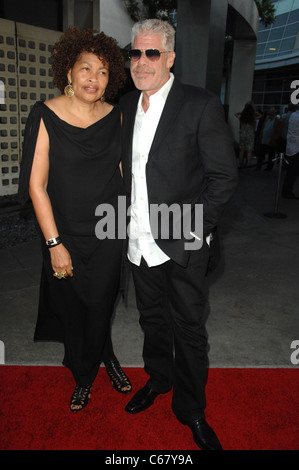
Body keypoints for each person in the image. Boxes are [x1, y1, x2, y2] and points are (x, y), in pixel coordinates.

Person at [120, 19, 238, 450]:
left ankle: (190, 410)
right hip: (136, 239)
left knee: (189, 329)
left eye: (152, 53)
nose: (142, 62)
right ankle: (158, 378)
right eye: (136, 53)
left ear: (170, 58)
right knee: (151, 320)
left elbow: (223, 178)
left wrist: (193, 231)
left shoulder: (200, 104)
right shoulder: (124, 106)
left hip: (183, 242)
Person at [17, 26, 131, 412]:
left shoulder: (116, 117)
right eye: (86, 69)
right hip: (64, 232)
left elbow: (125, 172)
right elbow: (37, 185)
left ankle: (88, 373)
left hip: (109, 228)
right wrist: (54, 244)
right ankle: (99, 359)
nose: (93, 79)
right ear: (69, 71)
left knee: (101, 301)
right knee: (75, 304)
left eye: (102, 72)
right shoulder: (45, 114)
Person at [234, 102, 262, 167]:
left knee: (242, 150)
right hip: (250, 135)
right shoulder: (253, 118)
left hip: (242, 135)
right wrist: (253, 112)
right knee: (249, 151)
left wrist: (243, 112)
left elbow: (235, 113)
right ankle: (248, 166)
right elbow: (260, 115)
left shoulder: (242, 117)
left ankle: (240, 164)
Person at [282, 106, 299, 199]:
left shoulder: (293, 115)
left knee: (291, 172)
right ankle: (287, 192)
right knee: (292, 173)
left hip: (291, 148)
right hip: (296, 149)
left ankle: (286, 191)